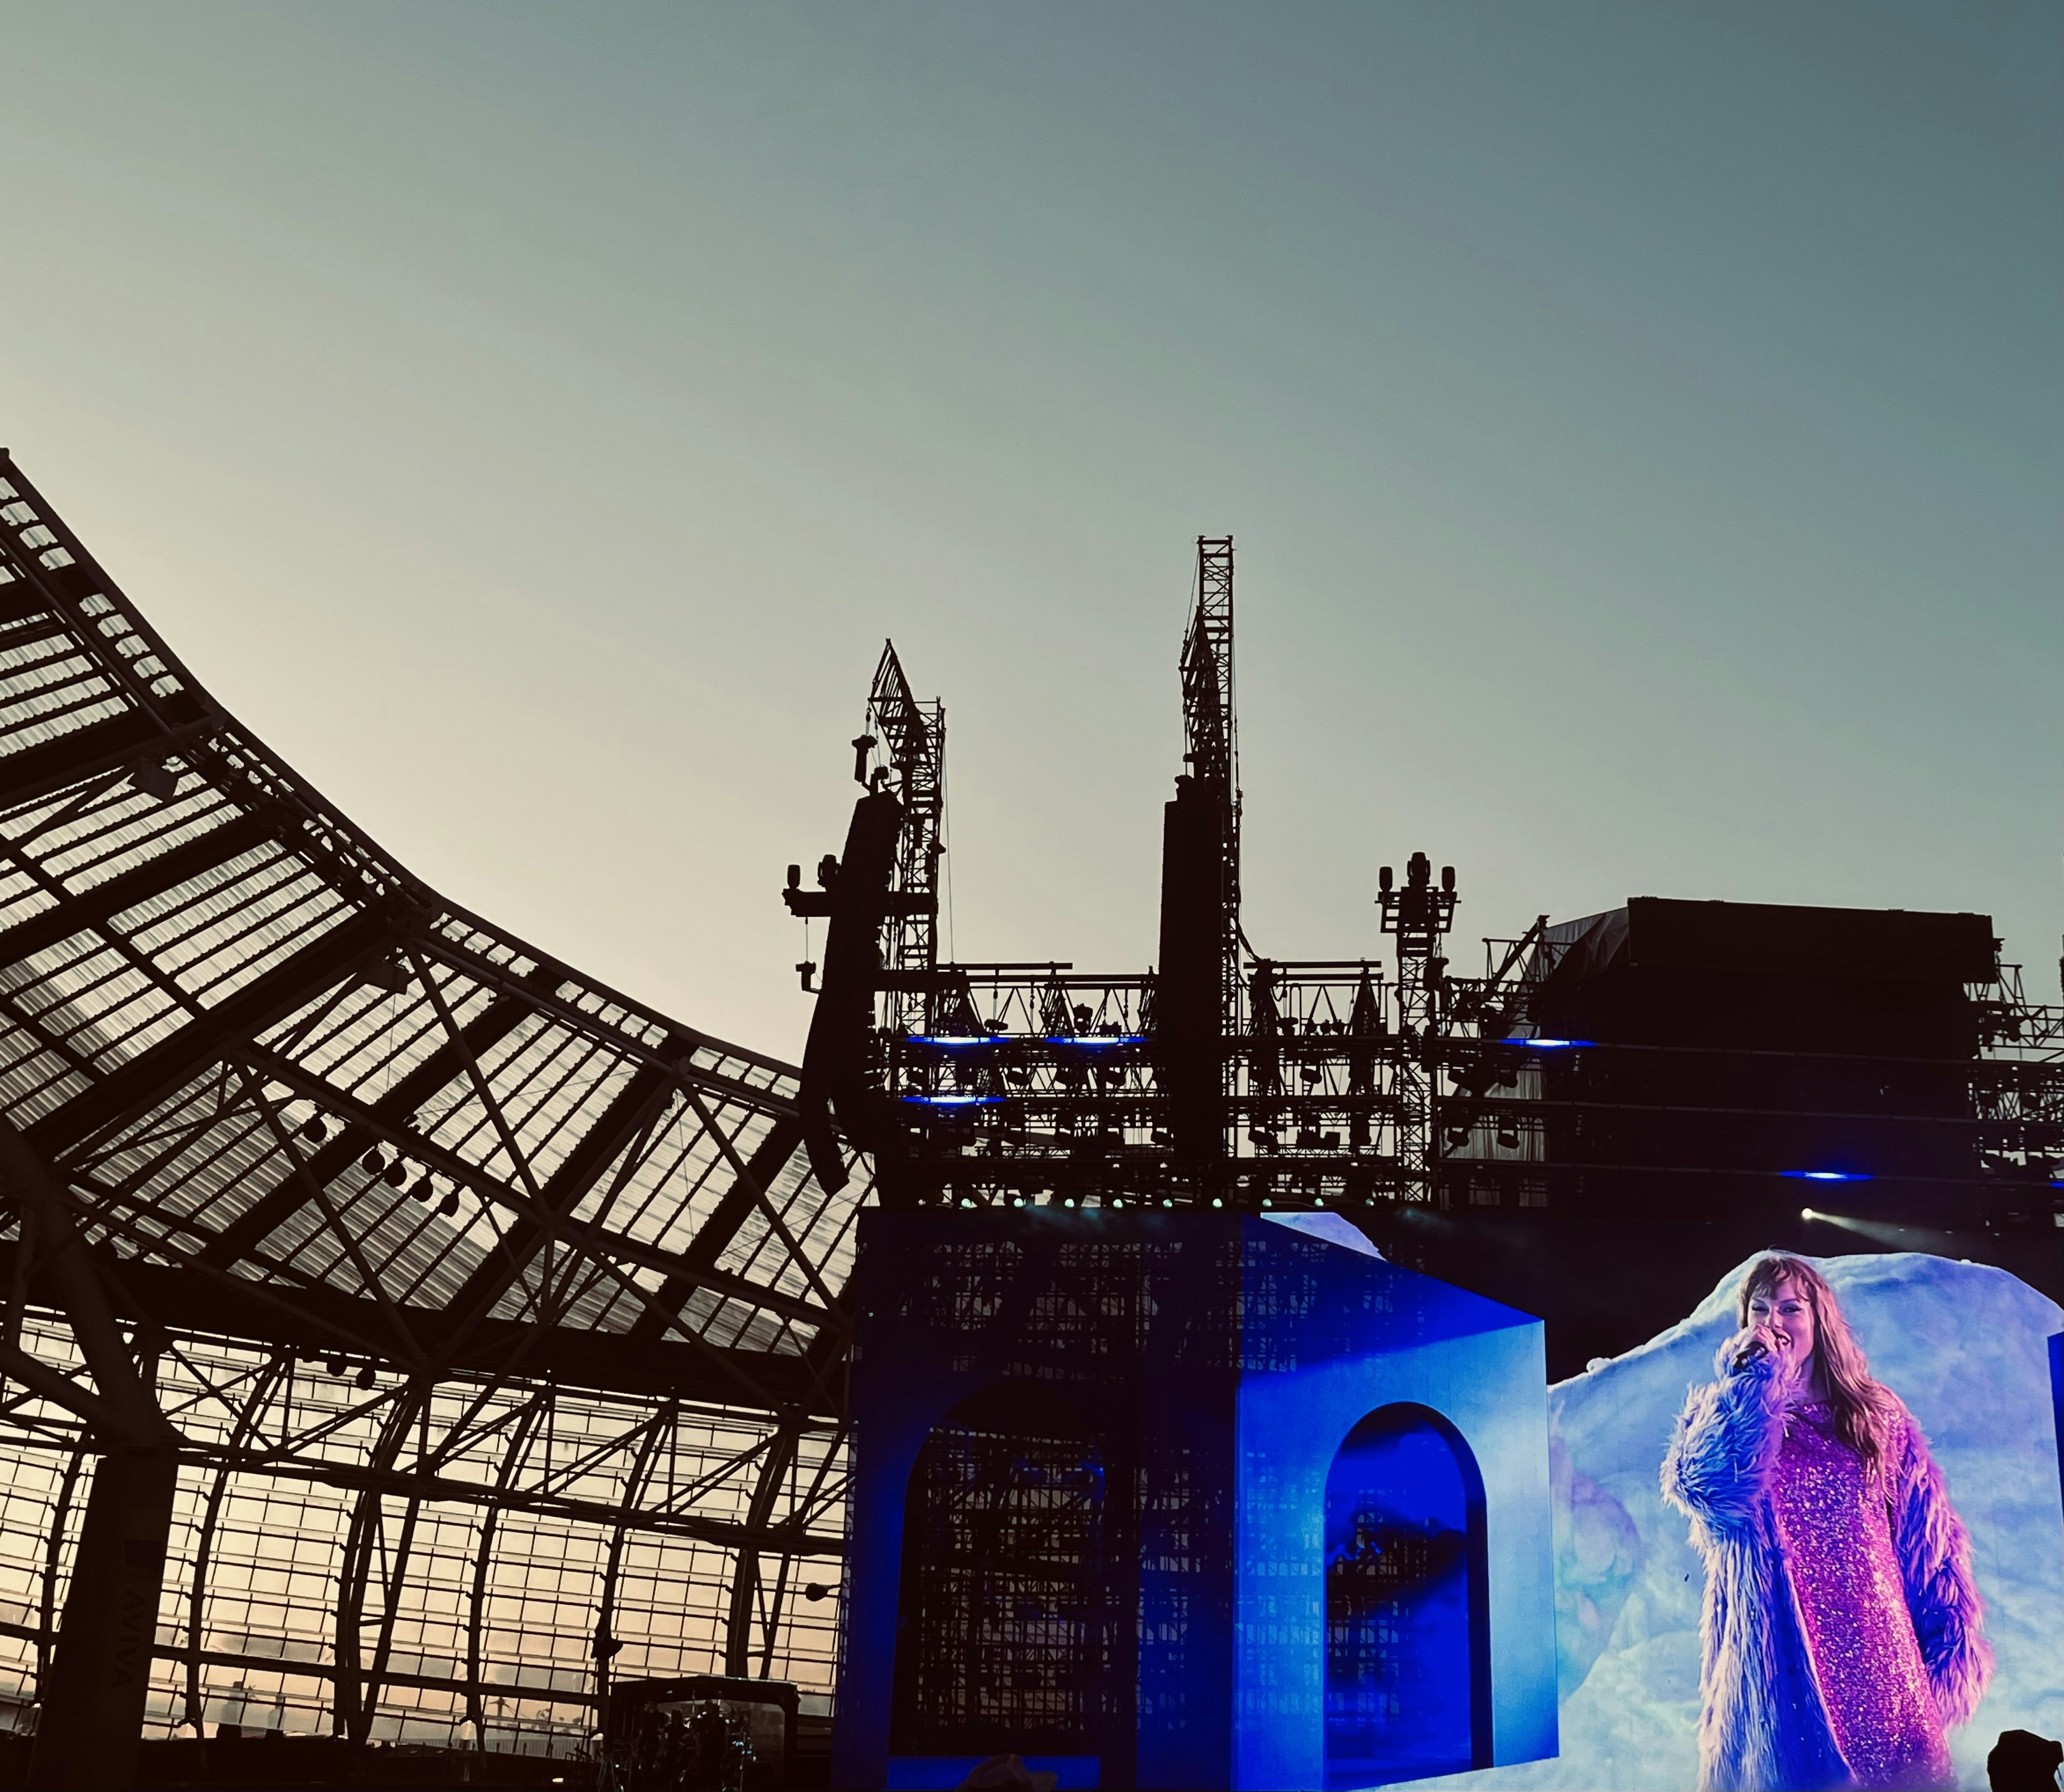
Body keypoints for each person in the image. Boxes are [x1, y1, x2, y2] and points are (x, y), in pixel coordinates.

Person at [1662, 1252, 1990, 1792]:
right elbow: (1707, 1493)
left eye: (1791, 1307)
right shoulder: (1728, 1411)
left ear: (1818, 1319)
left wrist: (1947, 1641)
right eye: (1760, 1308)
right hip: (1776, 1660)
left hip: (1876, 1647)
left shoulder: (1873, 1412)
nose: (1774, 1322)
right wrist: (1752, 1389)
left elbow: (1926, 1537)